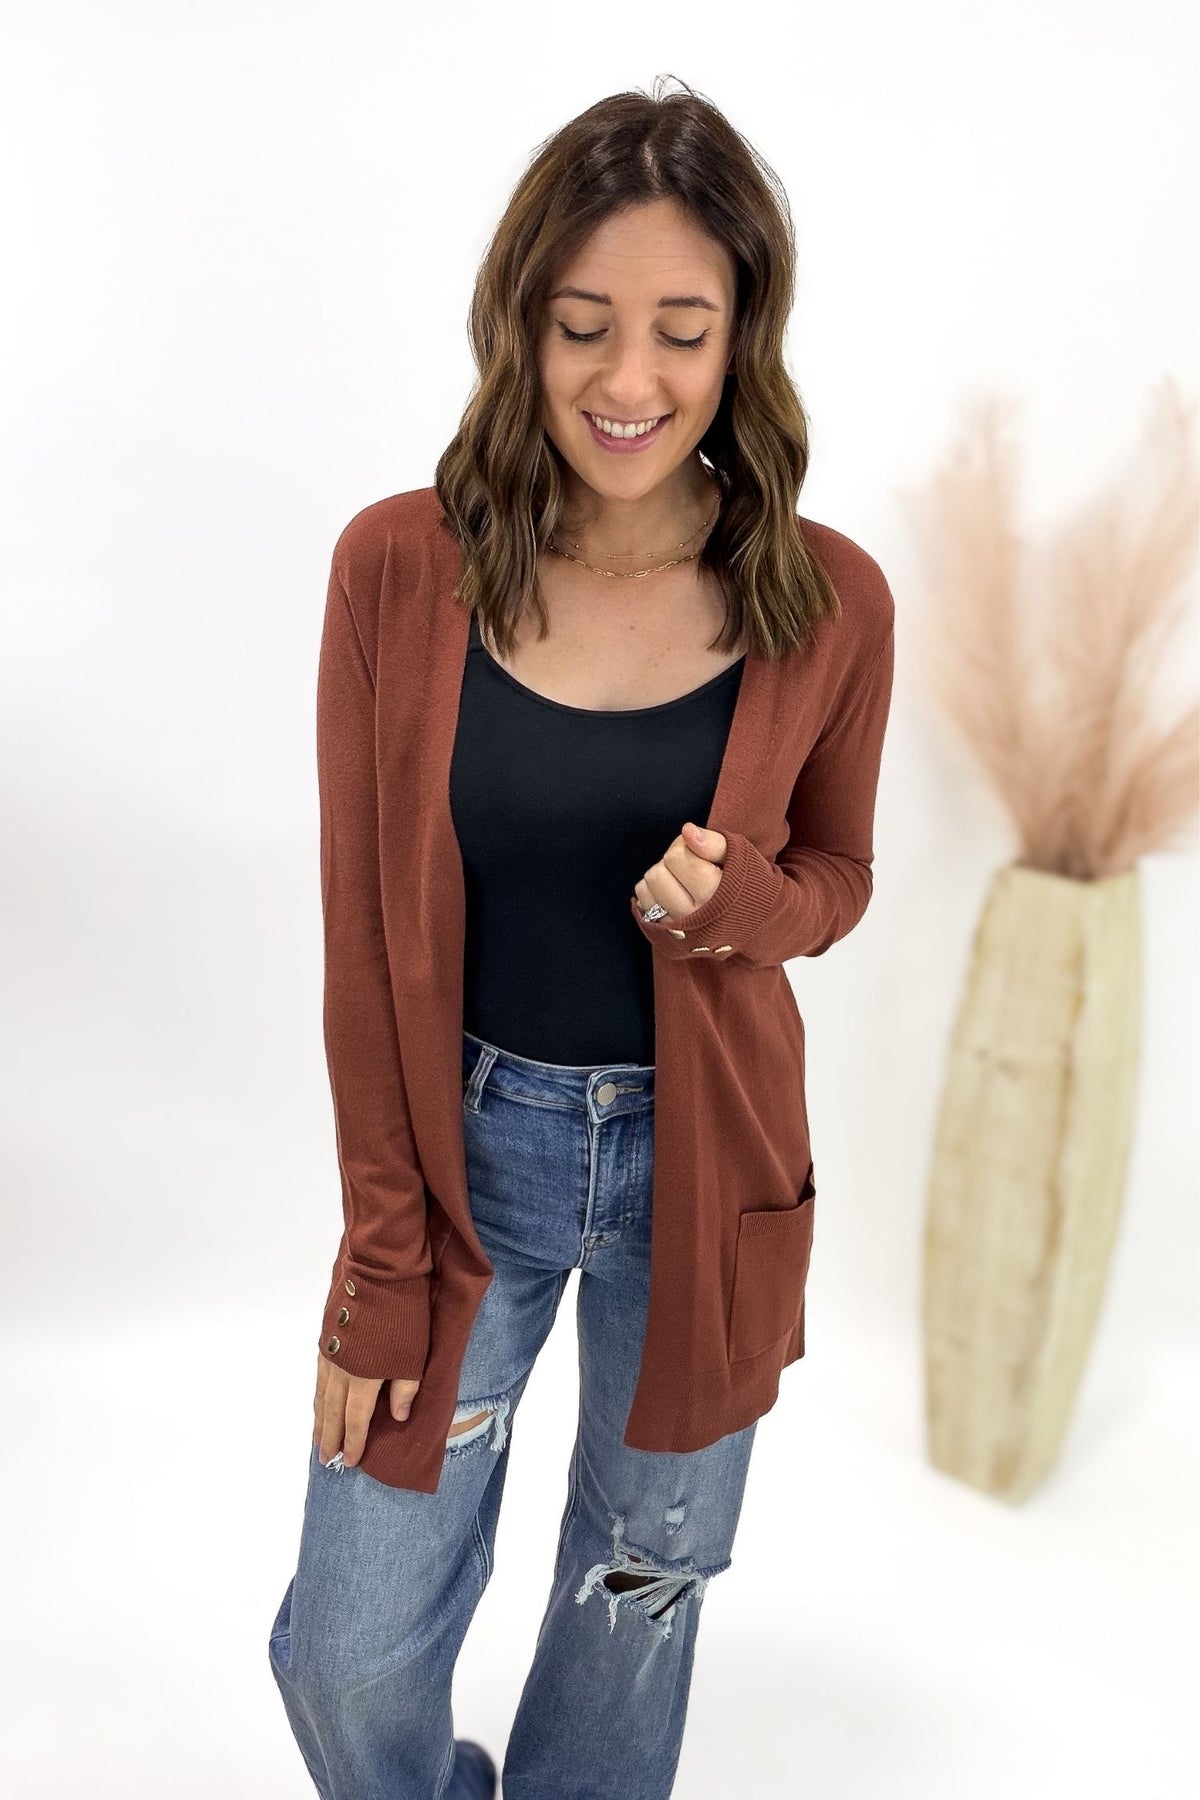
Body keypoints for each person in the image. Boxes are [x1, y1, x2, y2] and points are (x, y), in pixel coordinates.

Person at [268, 76, 895, 1800]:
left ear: (741, 340)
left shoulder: (826, 597)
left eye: (681, 332)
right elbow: (353, 944)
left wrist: (742, 906)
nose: (629, 383)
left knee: (639, 1592)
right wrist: (377, 1267)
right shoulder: (398, 570)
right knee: (341, 1642)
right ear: (521, 323)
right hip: (469, 1160)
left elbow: (836, 882)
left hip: (711, 1179)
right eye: (585, 325)